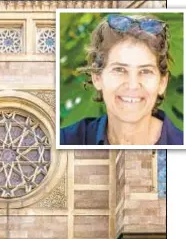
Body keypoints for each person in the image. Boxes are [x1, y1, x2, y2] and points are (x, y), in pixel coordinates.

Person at [60, 14, 183, 146]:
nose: (133, 85)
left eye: (145, 71)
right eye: (119, 70)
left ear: (162, 83)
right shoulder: (64, 141)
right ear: (97, 77)